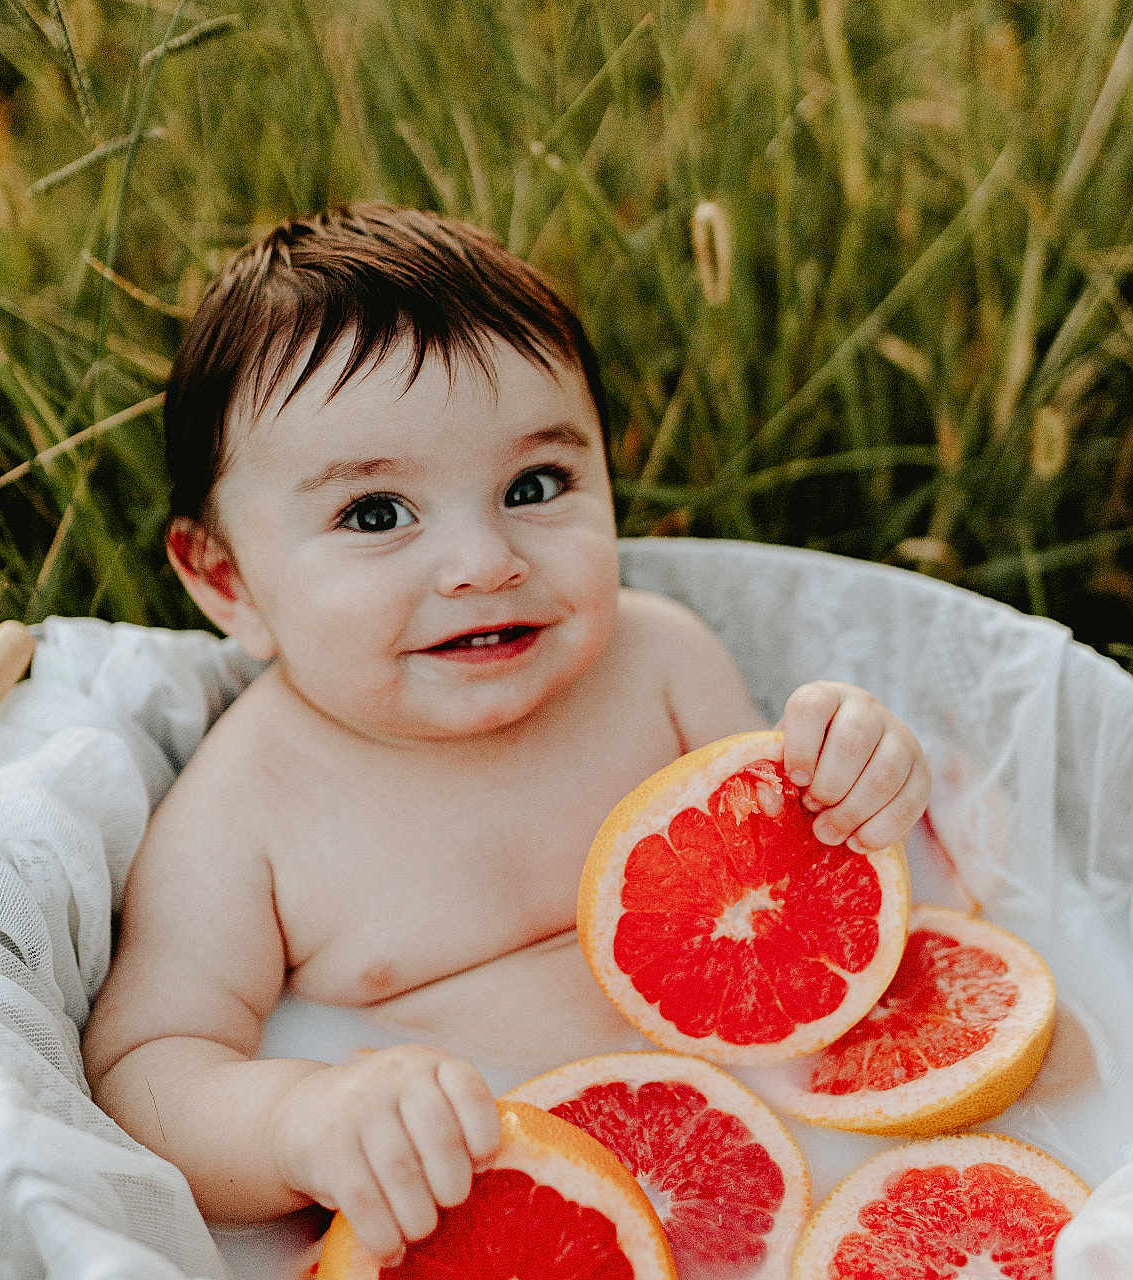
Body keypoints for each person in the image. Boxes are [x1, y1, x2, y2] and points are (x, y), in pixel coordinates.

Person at [81, 202, 931, 1268]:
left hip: (773, 1163)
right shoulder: (245, 810)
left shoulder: (659, 665)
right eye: (376, 512)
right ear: (226, 578)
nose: (484, 560)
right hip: (474, 1225)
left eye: (534, 486)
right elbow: (145, 1067)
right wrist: (301, 1119)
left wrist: (856, 773)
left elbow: (805, 887)